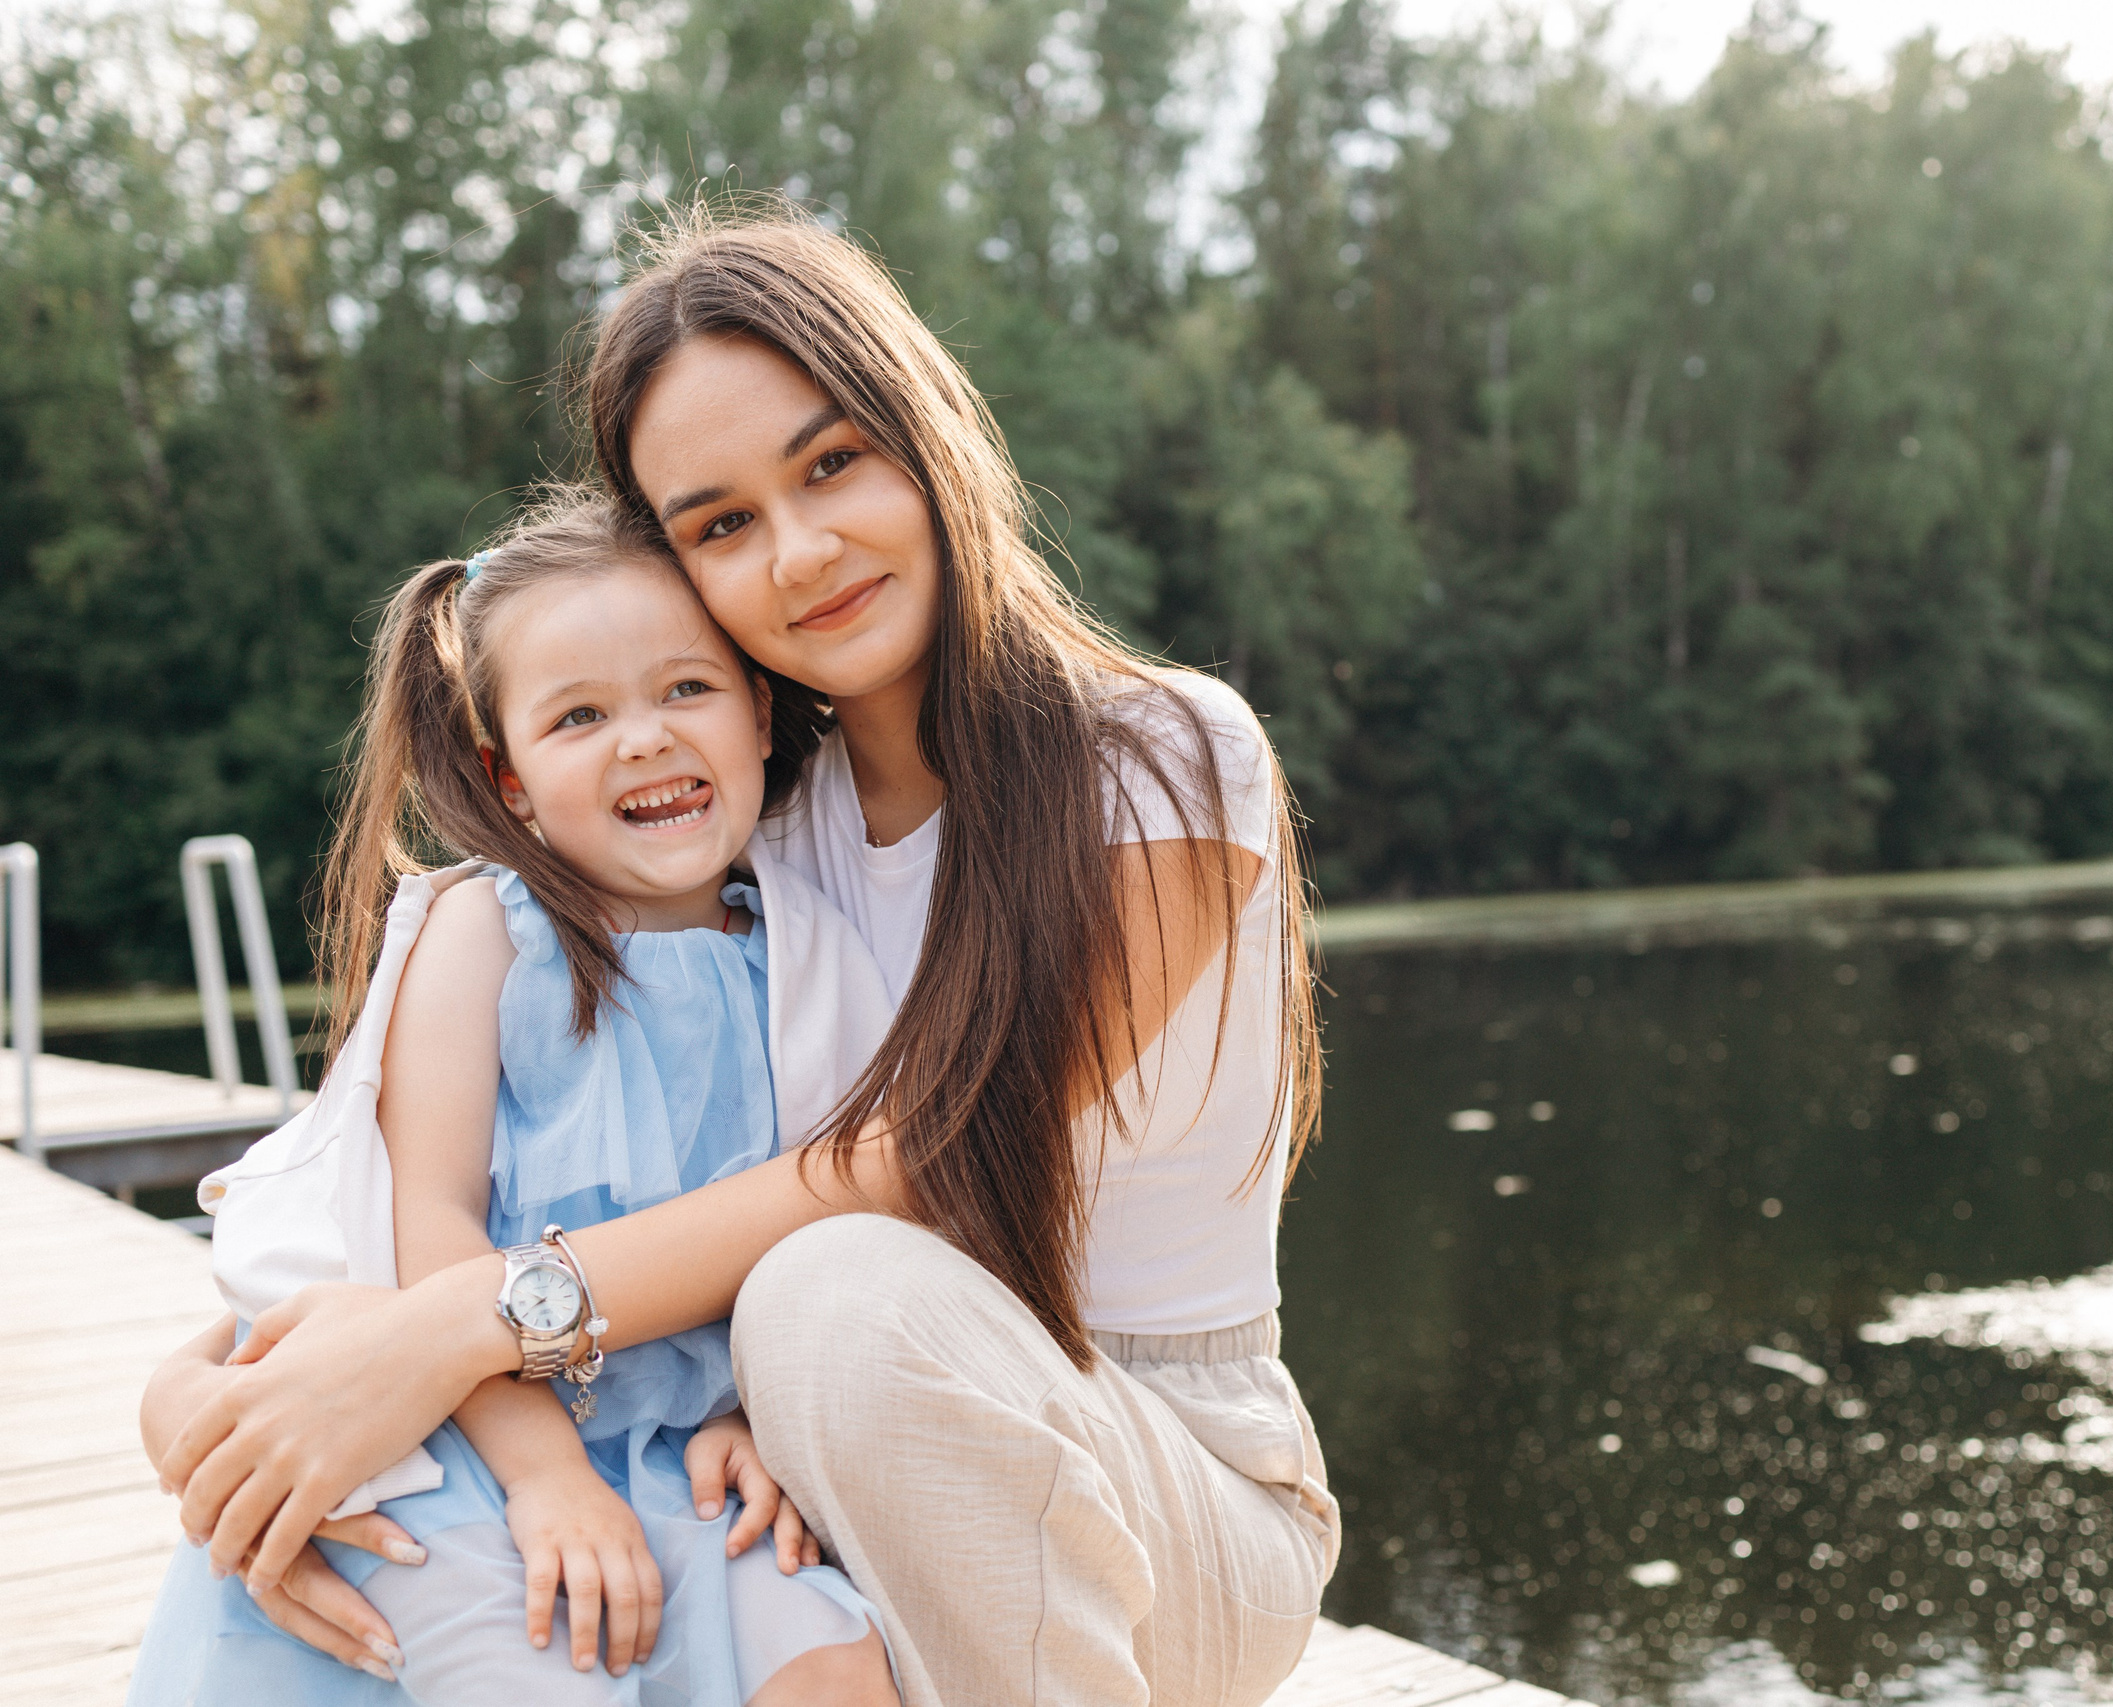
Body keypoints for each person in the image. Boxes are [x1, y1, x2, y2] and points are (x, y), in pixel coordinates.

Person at [145, 206, 1339, 1707]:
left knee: (831, 1299)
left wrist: (458, 1327)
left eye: (833, 461)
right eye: (719, 523)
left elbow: (938, 1164)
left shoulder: (1159, 762)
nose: (801, 550)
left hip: (1167, 1487)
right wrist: (210, 1405)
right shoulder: (747, 848)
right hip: (806, 1447)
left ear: (928, 433)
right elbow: (406, 1191)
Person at [129, 496, 900, 1705]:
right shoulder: (483, 934)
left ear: (759, 713)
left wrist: (770, 1417)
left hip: (687, 1450)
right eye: (580, 716)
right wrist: (544, 1474)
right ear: (513, 776)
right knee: (537, 1668)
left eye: (685, 689)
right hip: (469, 1427)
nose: (640, 739)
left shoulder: (809, 957)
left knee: (833, 1667)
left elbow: (829, 1228)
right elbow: (428, 1221)